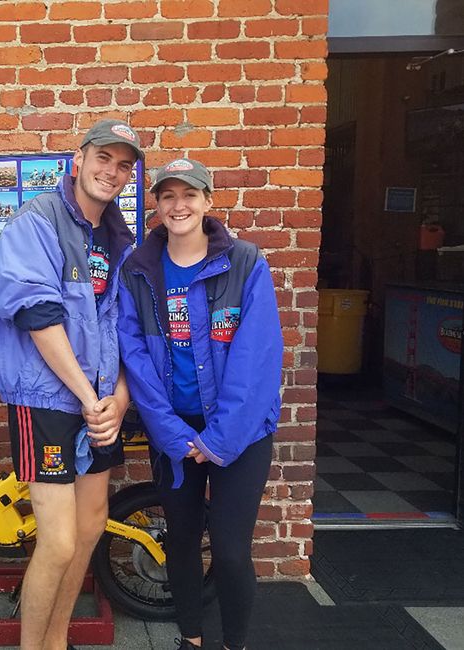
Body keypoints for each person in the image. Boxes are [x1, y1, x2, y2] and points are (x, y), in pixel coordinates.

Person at [0, 119, 143, 650]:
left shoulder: (116, 237)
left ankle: (55, 641)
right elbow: (39, 315)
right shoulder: (38, 221)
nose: (112, 172)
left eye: (124, 165)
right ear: (79, 160)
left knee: (92, 527)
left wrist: (116, 400)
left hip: (97, 402)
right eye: (104, 159)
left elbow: (121, 328)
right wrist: (86, 396)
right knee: (57, 540)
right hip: (48, 399)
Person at [117, 158, 283, 650]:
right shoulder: (139, 269)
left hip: (241, 433)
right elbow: (134, 353)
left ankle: (235, 643)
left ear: (208, 201)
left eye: (189, 194)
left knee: (231, 551)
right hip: (174, 432)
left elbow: (257, 361)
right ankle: (191, 638)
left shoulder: (247, 263)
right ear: (157, 206)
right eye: (167, 195)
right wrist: (171, 434)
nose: (179, 204)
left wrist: (217, 441)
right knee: (182, 542)